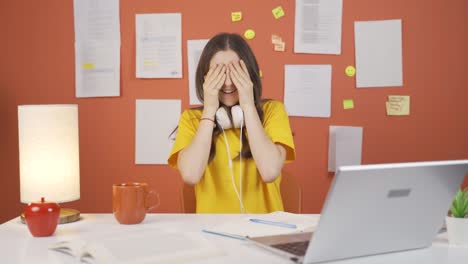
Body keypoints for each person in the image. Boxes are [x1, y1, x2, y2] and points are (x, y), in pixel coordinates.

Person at [168, 33, 295, 213]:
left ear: (249, 73)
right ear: (205, 77)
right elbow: (190, 175)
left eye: (235, 72)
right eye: (218, 73)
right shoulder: (192, 120)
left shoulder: (273, 111)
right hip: (211, 233)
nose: (227, 83)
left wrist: (248, 107)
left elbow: (269, 171)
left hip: (265, 229)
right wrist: (209, 110)